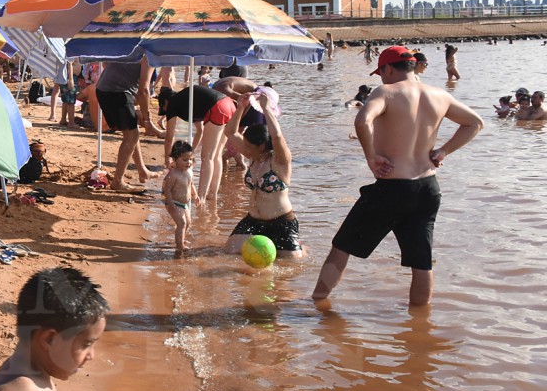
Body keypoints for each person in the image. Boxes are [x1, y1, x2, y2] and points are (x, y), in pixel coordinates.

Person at [312, 46, 483, 307]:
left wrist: (371, 158)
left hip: (392, 188)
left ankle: (315, 303)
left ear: (388, 69)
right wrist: (443, 151)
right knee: (421, 263)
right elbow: (475, 123)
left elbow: (362, 121)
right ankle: (420, 327)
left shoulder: (386, 92)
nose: (381, 79)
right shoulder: (439, 95)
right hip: (427, 188)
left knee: (341, 247)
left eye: (381, 73)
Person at [224, 92, 303, 259]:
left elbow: (277, 136)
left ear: (261, 146)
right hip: (253, 220)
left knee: (291, 262)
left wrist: (266, 108)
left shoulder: (280, 162)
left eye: (247, 144)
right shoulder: (252, 155)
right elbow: (230, 132)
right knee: (229, 251)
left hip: (281, 221)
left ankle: (301, 247)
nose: (243, 147)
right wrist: (241, 107)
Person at [159, 85, 235, 205]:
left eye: (163, 108)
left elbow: (169, 136)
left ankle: (201, 198)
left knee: (207, 157)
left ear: (165, 102)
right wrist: (190, 153)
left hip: (217, 107)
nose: (166, 111)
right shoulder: (187, 101)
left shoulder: (172, 104)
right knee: (216, 156)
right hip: (229, 104)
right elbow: (200, 131)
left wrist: (167, 160)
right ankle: (212, 195)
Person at [95, 58, 162, 190]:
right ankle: (118, 182)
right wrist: (147, 117)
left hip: (102, 89)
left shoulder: (134, 46)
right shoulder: (150, 56)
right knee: (131, 136)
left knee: (131, 131)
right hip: (117, 92)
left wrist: (143, 113)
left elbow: (107, 64)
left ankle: (142, 170)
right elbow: (144, 90)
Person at [163, 140, 196, 254]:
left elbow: (191, 184)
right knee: (181, 223)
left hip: (184, 203)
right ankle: (179, 246)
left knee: (188, 222)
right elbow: (166, 189)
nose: (189, 162)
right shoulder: (173, 174)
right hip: (174, 202)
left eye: (191, 159)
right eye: (185, 160)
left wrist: (195, 195)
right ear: (175, 159)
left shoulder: (189, 172)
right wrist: (170, 203)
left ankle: (180, 239)